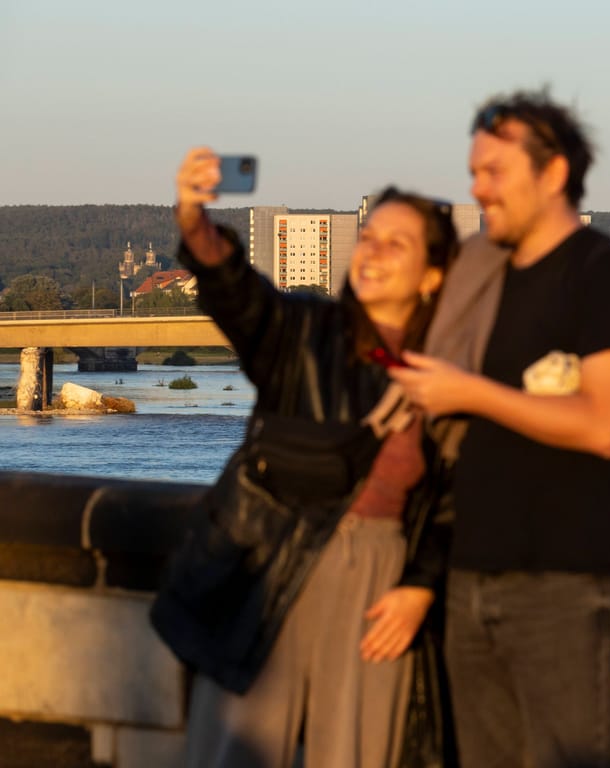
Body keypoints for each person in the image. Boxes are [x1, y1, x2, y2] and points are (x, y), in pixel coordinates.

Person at [151, 147, 455, 768]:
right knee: (234, 752)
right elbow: (239, 297)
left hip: (379, 583)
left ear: (433, 274)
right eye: (369, 236)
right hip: (270, 559)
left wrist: (420, 587)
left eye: (397, 242)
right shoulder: (304, 333)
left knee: (358, 753)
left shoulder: (450, 371)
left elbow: (457, 491)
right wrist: (193, 218)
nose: (372, 250)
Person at [391, 90, 610, 768]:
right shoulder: (480, 281)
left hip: (565, 590)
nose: (476, 187)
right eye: (474, 171)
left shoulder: (609, 276)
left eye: (493, 172)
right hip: (470, 578)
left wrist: (469, 392)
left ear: (553, 175)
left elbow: (605, 425)